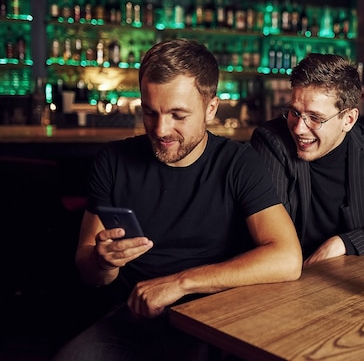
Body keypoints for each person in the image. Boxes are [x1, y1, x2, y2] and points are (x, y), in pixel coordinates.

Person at [53, 39, 302, 361]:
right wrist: (103, 261)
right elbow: (90, 270)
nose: (161, 129)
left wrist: (180, 283)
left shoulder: (238, 161)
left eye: (178, 115)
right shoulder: (113, 161)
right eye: (149, 112)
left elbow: (287, 258)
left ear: (211, 108)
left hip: (210, 317)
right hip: (132, 317)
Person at [250, 53, 364, 267]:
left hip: (349, 277)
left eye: (315, 118)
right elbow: (274, 245)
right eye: (294, 112)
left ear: (348, 120)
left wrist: (342, 243)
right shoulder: (270, 142)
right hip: (290, 280)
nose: (298, 128)